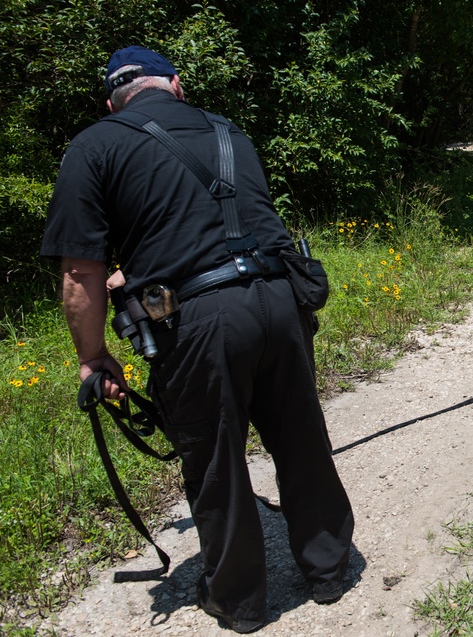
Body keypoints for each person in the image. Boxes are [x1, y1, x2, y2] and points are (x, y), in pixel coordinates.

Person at [41, 46, 354, 633]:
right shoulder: (227, 130)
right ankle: (329, 570)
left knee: (214, 459)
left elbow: (79, 273)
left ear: (113, 100)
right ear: (175, 85)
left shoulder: (95, 144)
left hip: (198, 319)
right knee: (300, 436)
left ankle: (239, 601)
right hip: (280, 301)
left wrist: (92, 357)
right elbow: (218, 225)